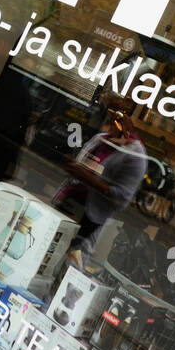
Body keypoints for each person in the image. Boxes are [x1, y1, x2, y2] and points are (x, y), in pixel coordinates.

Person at [56, 95, 149, 261]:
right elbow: (81, 165)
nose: (113, 117)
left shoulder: (135, 155)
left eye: (119, 114)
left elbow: (122, 198)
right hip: (69, 201)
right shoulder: (101, 139)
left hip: (90, 217)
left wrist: (87, 178)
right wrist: (74, 167)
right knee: (51, 245)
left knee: (71, 259)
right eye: (112, 112)